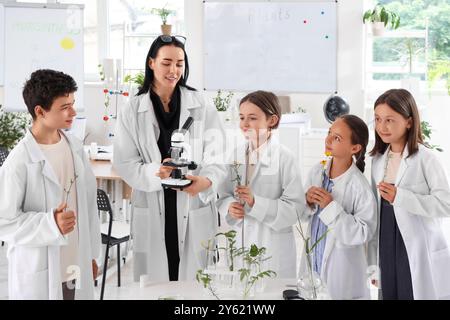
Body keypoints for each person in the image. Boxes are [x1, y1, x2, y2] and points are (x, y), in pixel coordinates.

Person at [113, 35, 226, 282]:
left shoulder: (201, 104)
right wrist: (156, 172)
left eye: (180, 63)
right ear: (151, 63)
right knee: (155, 283)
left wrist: (206, 182)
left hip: (193, 201)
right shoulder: (132, 108)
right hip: (152, 201)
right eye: (166, 63)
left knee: (194, 285)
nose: (173, 70)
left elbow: (218, 154)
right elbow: (124, 162)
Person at [0, 69, 101, 300]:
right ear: (40, 111)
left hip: (76, 264)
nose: (73, 112)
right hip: (41, 272)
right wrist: (50, 223)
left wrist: (91, 255)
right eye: (64, 107)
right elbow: (4, 222)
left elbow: (88, 207)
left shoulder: (75, 148)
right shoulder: (19, 161)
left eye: (73, 104)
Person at [368, 89, 450, 300]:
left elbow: (446, 204)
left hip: (414, 243)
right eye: (377, 119)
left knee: (411, 291)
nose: (381, 127)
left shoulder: (426, 159)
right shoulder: (377, 160)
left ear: (409, 122)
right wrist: (373, 260)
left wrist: (400, 197)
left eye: (389, 120)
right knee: (389, 293)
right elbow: (374, 212)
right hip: (386, 237)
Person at [217, 91, 304, 278]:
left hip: (273, 248)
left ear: (272, 120)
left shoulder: (285, 158)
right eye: (241, 118)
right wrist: (229, 207)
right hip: (242, 245)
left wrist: (256, 202)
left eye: (252, 118)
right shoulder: (235, 155)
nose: (244, 124)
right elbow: (223, 196)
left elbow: (295, 209)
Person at [299, 115, 377, 299]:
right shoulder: (317, 171)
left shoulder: (360, 186)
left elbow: (364, 232)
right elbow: (303, 214)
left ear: (355, 148)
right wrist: (307, 202)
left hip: (342, 272)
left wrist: (330, 207)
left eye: (337, 138)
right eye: (329, 133)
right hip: (313, 263)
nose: (328, 140)